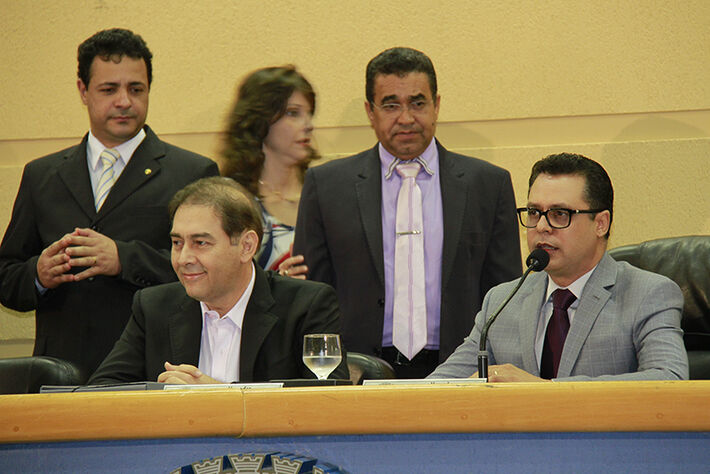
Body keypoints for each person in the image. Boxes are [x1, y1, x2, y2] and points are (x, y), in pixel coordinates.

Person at [0, 28, 219, 378]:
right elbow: (6, 277)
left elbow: (214, 273)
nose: (124, 101)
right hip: (59, 373)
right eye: (108, 89)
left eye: (136, 89)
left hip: (154, 368)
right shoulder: (41, 175)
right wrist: (38, 274)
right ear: (83, 91)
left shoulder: (191, 172)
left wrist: (124, 259)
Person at [293, 47, 522, 378]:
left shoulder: (488, 185)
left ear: (436, 105)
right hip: (356, 374)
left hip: (462, 371)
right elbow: (314, 295)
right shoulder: (326, 186)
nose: (406, 118)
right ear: (370, 112)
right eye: (390, 105)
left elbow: (505, 296)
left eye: (418, 103)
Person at [429, 153, 688, 381]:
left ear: (601, 224)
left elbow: (669, 378)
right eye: (533, 212)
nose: (542, 226)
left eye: (559, 214)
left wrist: (542, 391)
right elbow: (442, 384)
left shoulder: (648, 294)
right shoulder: (501, 301)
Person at [89, 177, 348, 384]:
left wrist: (215, 398)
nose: (183, 258)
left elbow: (325, 404)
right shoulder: (154, 307)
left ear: (246, 246)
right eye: (177, 243)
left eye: (201, 243)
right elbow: (102, 393)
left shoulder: (306, 306)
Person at [221, 66, 319, 279]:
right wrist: (279, 288)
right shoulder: (231, 202)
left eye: (309, 114)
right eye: (293, 113)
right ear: (260, 121)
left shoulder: (326, 193)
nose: (308, 125)